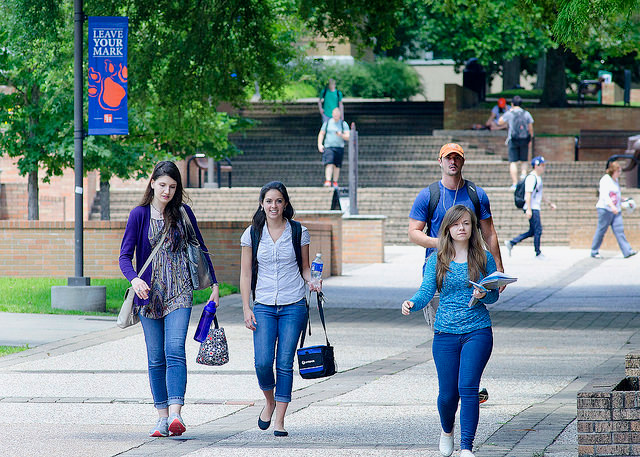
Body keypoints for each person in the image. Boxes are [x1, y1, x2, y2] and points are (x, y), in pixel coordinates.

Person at [119, 160, 219, 438]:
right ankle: (162, 418)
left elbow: (200, 247)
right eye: (162, 185)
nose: (167, 191)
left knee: (174, 349)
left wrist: (214, 285)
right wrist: (134, 279)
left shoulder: (183, 213)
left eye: (173, 187)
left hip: (180, 291)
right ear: (152, 183)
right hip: (149, 295)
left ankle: (176, 414)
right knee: (155, 358)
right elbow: (124, 256)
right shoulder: (138, 215)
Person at [402, 205, 499, 457]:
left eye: (466, 223)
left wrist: (485, 293)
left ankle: (466, 447)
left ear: (473, 227)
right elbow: (426, 291)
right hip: (444, 332)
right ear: (448, 228)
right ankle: (447, 431)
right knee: (447, 395)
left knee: (468, 387)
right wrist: (412, 303)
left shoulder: (483, 257)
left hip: (477, 330)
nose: (462, 228)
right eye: (456, 224)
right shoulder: (437, 258)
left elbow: (494, 295)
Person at [240, 181, 322, 437]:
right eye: (269, 201)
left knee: (284, 363)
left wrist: (313, 281)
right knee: (263, 362)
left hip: (293, 304)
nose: (273, 205)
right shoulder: (252, 233)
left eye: (278, 201)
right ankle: (269, 401)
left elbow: (305, 267)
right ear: (261, 204)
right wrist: (246, 307)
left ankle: (280, 421)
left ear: (285, 203)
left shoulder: (299, 231)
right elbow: (244, 275)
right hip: (263, 305)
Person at [504, 156, 556, 258]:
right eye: (542, 165)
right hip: (532, 207)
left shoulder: (538, 178)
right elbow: (528, 194)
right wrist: (528, 209)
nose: (544, 167)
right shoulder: (531, 178)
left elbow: (540, 195)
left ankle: (511, 242)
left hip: (534, 207)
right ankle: (538, 252)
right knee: (538, 230)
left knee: (533, 231)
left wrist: (550, 203)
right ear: (536, 166)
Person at [590, 161, 637, 259]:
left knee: (619, 230)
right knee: (601, 230)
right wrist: (612, 206)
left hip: (616, 210)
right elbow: (604, 195)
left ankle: (627, 251)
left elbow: (616, 194)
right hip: (605, 209)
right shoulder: (605, 180)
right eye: (618, 171)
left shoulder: (615, 181)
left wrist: (623, 200)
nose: (619, 174)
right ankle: (594, 251)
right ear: (613, 171)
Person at [498, 95, 534, 189]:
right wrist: (530, 139)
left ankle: (515, 183)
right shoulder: (526, 113)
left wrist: (508, 111)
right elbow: (530, 128)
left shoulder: (510, 113)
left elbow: (500, 122)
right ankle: (523, 178)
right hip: (524, 139)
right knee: (524, 161)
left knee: (513, 162)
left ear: (512, 104)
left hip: (513, 139)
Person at [317, 107, 350, 187]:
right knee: (329, 163)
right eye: (335, 115)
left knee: (337, 165)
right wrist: (320, 144)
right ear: (332, 115)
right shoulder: (327, 123)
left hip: (339, 147)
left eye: (337, 115)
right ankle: (328, 180)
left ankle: (335, 181)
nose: (336, 116)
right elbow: (321, 133)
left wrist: (341, 135)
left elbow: (348, 136)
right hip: (329, 146)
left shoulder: (343, 124)